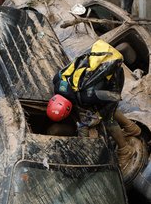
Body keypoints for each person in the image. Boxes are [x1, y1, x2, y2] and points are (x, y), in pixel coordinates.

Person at [46, 40, 141, 174]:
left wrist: (98, 116)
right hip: (95, 80)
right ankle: (132, 129)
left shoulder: (87, 96)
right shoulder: (58, 81)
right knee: (103, 107)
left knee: (108, 118)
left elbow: (113, 99)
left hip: (113, 76)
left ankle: (125, 150)